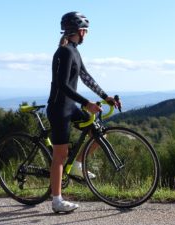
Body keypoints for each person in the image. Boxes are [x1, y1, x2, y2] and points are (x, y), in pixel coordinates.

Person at [46, 11, 119, 213]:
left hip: (70, 106)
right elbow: (61, 84)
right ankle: (57, 200)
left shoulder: (74, 51)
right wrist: (87, 103)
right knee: (60, 155)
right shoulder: (64, 52)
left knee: (98, 132)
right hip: (59, 109)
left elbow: (86, 77)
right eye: (85, 30)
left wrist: (105, 97)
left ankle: (78, 164)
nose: (86, 34)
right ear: (79, 31)